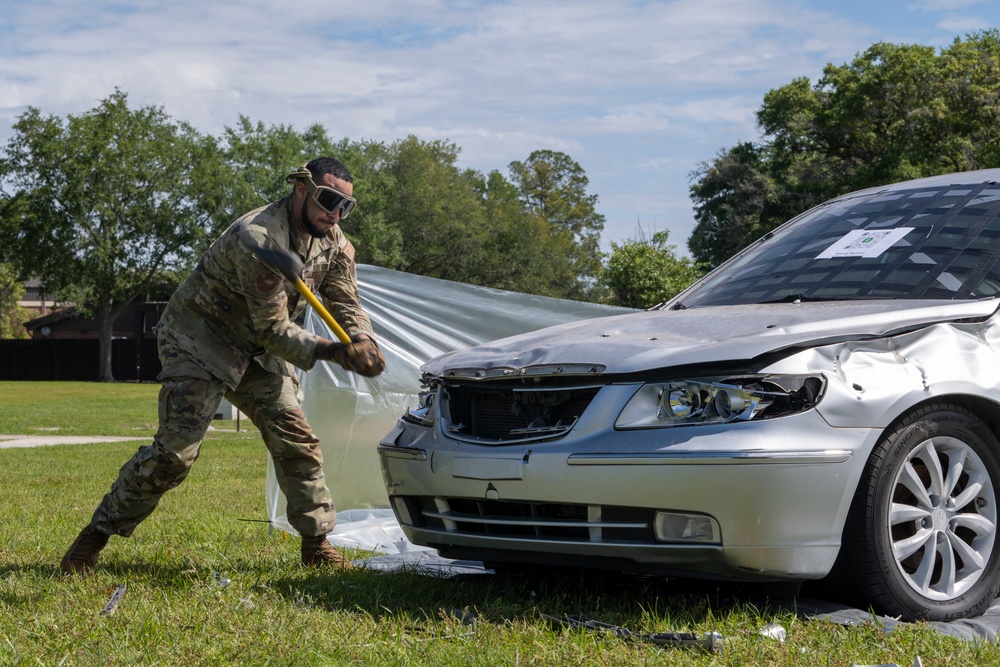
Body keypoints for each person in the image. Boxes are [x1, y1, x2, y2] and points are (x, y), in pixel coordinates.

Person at [61, 157, 385, 573]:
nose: (335, 213)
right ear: (301, 189)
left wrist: (362, 339)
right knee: (174, 457)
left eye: (345, 206)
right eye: (328, 200)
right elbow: (272, 329)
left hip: (256, 354)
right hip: (200, 341)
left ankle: (316, 544)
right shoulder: (259, 239)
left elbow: (345, 300)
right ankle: (92, 540)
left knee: (297, 441)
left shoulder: (334, 240)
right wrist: (336, 353)